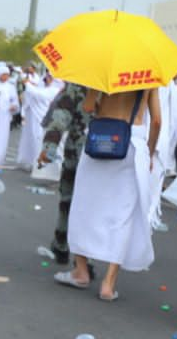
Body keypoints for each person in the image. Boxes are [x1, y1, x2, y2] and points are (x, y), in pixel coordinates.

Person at [57, 87, 162, 300]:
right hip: (133, 144)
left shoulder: (107, 73)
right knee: (123, 214)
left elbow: (87, 107)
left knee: (85, 207)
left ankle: (81, 270)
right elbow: (157, 121)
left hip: (102, 140)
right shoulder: (149, 76)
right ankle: (108, 283)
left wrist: (96, 98)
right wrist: (150, 152)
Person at [38, 82, 90, 265]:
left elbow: (61, 117)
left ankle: (62, 243)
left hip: (77, 148)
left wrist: (50, 145)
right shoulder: (122, 85)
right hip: (110, 152)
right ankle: (85, 258)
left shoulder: (78, 84)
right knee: (92, 205)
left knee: (68, 199)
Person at [15, 68, 58, 175]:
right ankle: (28, 162)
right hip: (32, 115)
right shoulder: (42, 86)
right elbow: (32, 93)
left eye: (50, 77)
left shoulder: (54, 89)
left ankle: (38, 165)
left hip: (42, 118)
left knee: (37, 139)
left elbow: (40, 94)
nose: (47, 79)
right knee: (28, 138)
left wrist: (28, 85)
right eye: (47, 77)